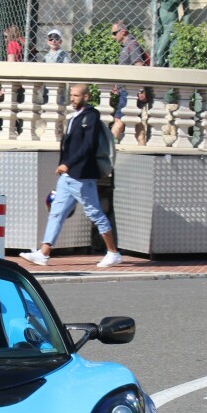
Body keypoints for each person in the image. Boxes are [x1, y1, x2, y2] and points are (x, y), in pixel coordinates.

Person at [20, 84, 122, 268]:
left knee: (95, 213)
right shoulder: (73, 117)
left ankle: (113, 252)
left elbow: (88, 146)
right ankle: (43, 253)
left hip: (82, 176)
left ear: (86, 96)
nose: (73, 99)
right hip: (68, 177)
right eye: (72, 95)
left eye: (76, 96)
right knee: (56, 212)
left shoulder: (90, 116)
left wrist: (68, 163)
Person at [111, 20, 148, 143]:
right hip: (124, 90)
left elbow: (139, 67)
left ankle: (106, 149)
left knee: (120, 120)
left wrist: (141, 89)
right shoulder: (126, 47)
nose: (113, 36)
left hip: (129, 91)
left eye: (114, 33)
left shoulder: (132, 45)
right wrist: (117, 84)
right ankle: (142, 145)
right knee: (133, 120)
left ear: (123, 31)